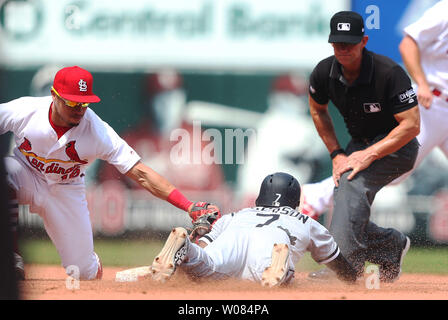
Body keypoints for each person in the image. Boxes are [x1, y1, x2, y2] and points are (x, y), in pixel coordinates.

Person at [0, 66, 220, 280]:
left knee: (83, 272)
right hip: (26, 175)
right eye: (72, 101)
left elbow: (141, 173)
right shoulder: (26, 111)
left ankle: (92, 265)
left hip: (66, 190)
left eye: (84, 103)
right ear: (54, 96)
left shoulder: (98, 131)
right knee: (6, 172)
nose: (79, 109)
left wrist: (188, 205)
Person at [300, 1, 448, 221]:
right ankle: (315, 196)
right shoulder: (444, 10)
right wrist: (422, 83)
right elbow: (408, 44)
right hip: (431, 103)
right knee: (394, 170)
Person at [305, 11, 420, 282]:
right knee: (347, 194)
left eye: (350, 42)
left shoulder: (388, 72)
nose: (343, 48)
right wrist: (336, 154)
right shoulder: (324, 72)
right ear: (331, 43)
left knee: (351, 182)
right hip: (358, 144)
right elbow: (318, 111)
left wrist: (368, 154)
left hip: (397, 147)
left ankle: (344, 267)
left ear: (364, 41)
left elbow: (412, 125)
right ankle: (389, 246)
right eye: (338, 43)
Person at [150, 172, 358, 287]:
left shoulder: (238, 214)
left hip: (235, 235)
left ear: (261, 197)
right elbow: (337, 263)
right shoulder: (306, 222)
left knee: (205, 263)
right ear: (294, 200)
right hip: (273, 242)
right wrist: (353, 278)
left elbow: (205, 243)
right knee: (273, 278)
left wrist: (194, 250)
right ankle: (278, 264)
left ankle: (185, 248)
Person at [97, 70, 231, 220]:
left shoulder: (200, 138)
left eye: (174, 97)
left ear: (183, 98)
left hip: (192, 223)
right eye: (161, 98)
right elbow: (107, 196)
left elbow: (218, 193)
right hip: (141, 229)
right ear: (148, 101)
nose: (168, 105)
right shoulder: (130, 140)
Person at [236, 73, 327, 208]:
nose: (299, 100)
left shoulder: (304, 125)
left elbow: (320, 152)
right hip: (262, 197)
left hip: (293, 200)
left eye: (301, 94)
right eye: (294, 95)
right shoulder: (271, 124)